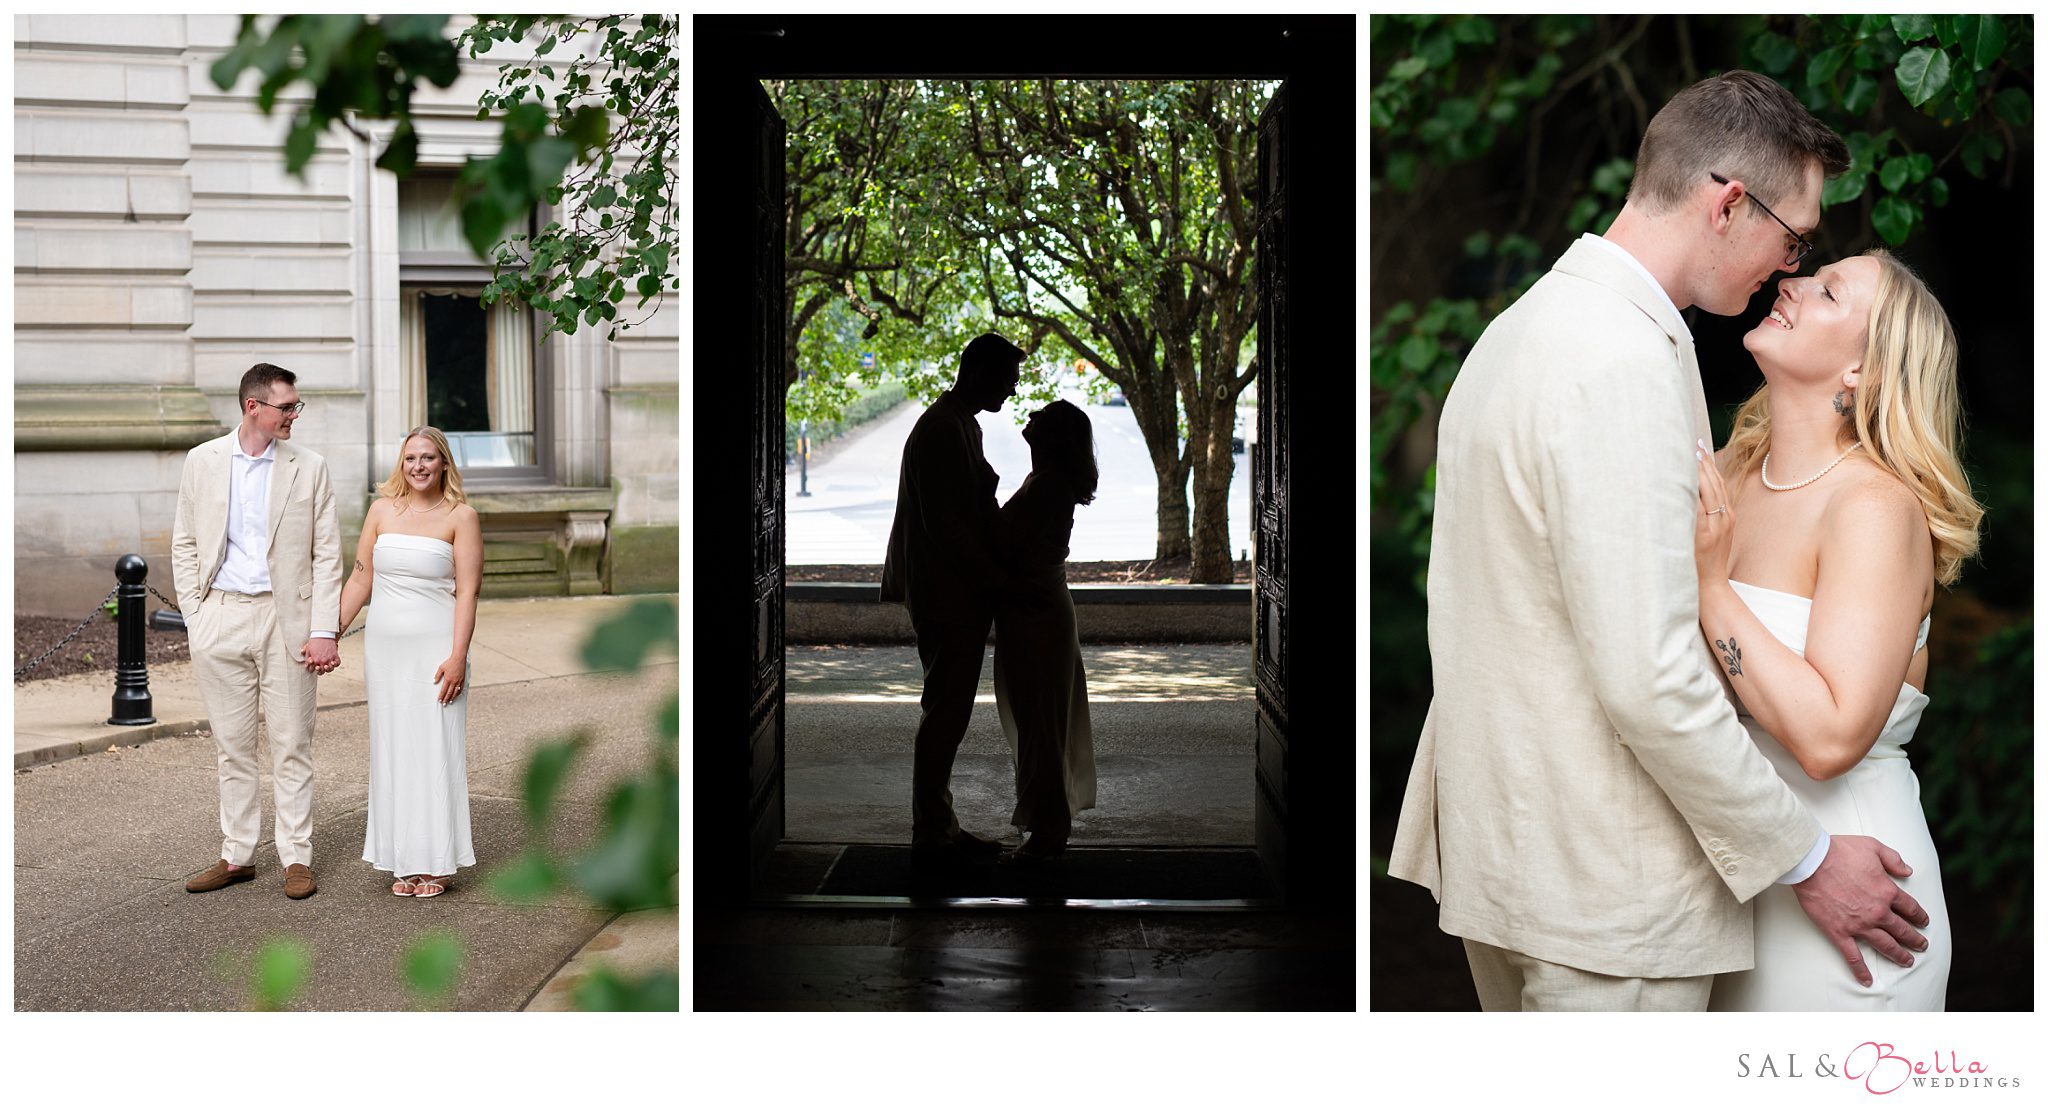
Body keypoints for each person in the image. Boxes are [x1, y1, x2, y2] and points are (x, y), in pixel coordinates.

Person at [1387, 70, 1932, 1011]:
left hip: (1514, 869)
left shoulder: (1521, 331)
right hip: (1609, 891)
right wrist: (1805, 858)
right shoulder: (1623, 361)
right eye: (1794, 236)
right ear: (1729, 205)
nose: (1790, 267)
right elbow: (1650, 672)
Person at [1695, 250, 1981, 1009]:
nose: (1789, 283)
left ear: (1864, 372)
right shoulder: (1727, 471)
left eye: (1827, 291)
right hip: (1734, 884)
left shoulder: (1874, 508)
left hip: (1855, 903)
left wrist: (1710, 589)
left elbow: (1827, 740)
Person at [173, 363, 342, 901]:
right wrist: (197, 617)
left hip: (285, 620)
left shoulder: (309, 467)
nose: (294, 414)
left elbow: (327, 555)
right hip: (220, 616)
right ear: (254, 407)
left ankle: (296, 857)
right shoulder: (202, 461)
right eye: (286, 406)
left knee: (292, 743)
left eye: (296, 406)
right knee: (232, 745)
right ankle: (237, 855)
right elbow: (184, 542)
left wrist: (323, 630)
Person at [881, 331, 1024, 870]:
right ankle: (932, 833)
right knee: (945, 711)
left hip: (951, 592)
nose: (1011, 392)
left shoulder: (958, 422)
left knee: (948, 710)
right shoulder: (944, 429)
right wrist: (997, 579)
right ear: (979, 371)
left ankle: (940, 825)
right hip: (946, 595)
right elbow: (948, 527)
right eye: (1006, 380)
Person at [338, 427, 484, 898]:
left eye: (427, 458)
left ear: (444, 463)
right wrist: (328, 634)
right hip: (385, 652)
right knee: (395, 748)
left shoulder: (462, 517)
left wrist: (458, 656)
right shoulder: (381, 511)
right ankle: (402, 857)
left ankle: (437, 862)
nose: (418, 466)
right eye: (410, 459)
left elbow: (468, 592)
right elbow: (361, 578)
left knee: (434, 751)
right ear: (400, 465)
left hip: (437, 651)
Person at [992, 400, 1099, 865]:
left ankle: (1050, 831)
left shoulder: (1049, 486)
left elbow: (1014, 550)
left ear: (1052, 435)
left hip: (1037, 615)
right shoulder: (1045, 481)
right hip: (1032, 611)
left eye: (1041, 416)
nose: (1028, 418)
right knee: (1038, 721)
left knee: (1042, 724)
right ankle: (1045, 825)